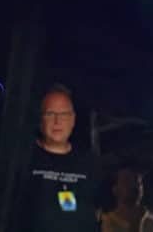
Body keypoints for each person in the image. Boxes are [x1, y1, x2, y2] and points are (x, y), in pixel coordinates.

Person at [20, 83, 99, 231]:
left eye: (63, 114)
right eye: (50, 114)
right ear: (40, 119)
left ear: (73, 119)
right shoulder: (22, 159)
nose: (57, 121)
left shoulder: (89, 164)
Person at [101, 166, 153, 232]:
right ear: (115, 189)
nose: (134, 185)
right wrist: (136, 221)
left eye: (138, 181)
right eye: (127, 180)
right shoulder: (106, 222)